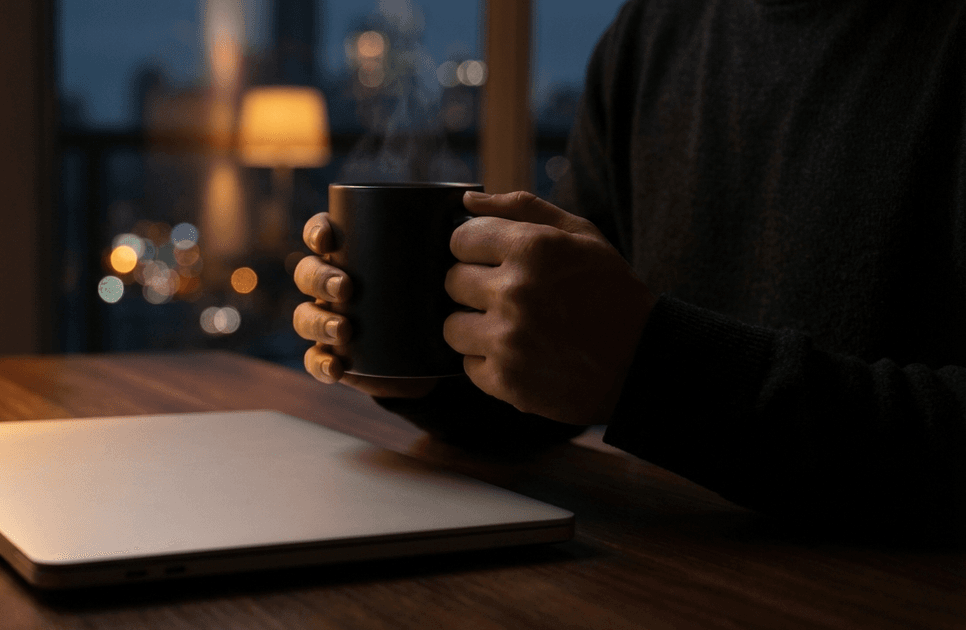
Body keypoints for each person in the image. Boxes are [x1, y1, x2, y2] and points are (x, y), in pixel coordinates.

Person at [293, 0, 966, 534]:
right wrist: (423, 364)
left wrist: (651, 370)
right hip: (664, 561)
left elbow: (626, 371)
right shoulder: (653, 31)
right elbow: (567, 380)